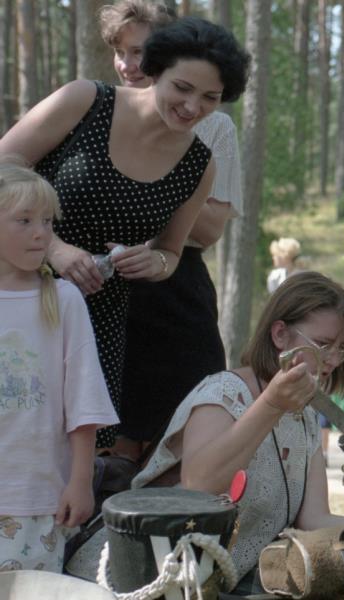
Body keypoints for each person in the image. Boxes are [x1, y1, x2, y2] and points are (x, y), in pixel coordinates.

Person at [0, 17, 250, 450]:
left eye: (210, 97)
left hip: (99, 322)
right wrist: (53, 249)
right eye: (182, 88)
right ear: (155, 70)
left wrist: (154, 262)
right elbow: (4, 167)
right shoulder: (86, 102)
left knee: (77, 453)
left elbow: (172, 252)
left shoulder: (199, 165)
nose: (192, 106)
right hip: (20, 297)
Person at [68, 272, 344, 593]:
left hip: (198, 586)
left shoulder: (306, 418)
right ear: (280, 334)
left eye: (342, 349)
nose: (333, 360)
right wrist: (272, 404)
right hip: (129, 580)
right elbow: (200, 487)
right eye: (323, 345)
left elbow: (314, 519)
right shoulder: (224, 391)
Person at [97, 0, 246, 460]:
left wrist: (154, 182)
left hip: (176, 291)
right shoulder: (98, 110)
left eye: (141, 51)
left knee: (181, 437)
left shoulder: (213, 128)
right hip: (100, 284)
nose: (130, 65)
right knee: (107, 441)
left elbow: (210, 229)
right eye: (121, 52)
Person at [0, 163, 118, 573]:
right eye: (25, 220)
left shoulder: (64, 299)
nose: (41, 233)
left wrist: (80, 481)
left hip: (37, 499)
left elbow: (83, 400)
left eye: (48, 221)